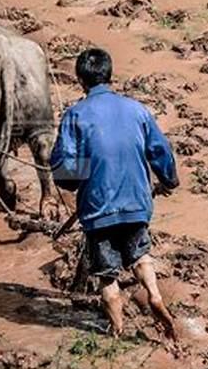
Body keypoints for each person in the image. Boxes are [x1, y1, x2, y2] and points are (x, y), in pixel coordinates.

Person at [50, 48, 180, 340]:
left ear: (80, 80)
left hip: (98, 209)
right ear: (110, 75)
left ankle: (117, 331)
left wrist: (77, 180)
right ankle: (155, 295)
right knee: (141, 254)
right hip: (137, 202)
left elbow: (66, 172)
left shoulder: (75, 115)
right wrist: (168, 181)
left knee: (106, 273)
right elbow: (160, 150)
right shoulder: (137, 109)